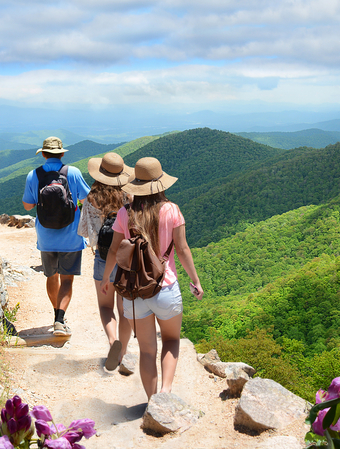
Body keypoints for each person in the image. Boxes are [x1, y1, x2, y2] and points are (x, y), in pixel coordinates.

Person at [101, 157, 204, 400]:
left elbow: (114, 250)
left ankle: (151, 402)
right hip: (165, 288)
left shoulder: (125, 214)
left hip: (135, 292)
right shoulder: (172, 210)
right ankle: (165, 394)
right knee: (170, 341)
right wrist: (195, 281)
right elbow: (182, 249)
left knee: (147, 351)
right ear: (160, 184)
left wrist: (107, 278)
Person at [23, 136, 90, 337]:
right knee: (67, 279)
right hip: (71, 235)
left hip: (46, 236)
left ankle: (56, 315)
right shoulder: (74, 172)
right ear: (62, 153)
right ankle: (59, 320)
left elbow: (27, 205)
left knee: (51, 276)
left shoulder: (33, 175)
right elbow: (86, 198)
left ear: (43, 154)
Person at [76, 152, 133, 370]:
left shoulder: (91, 198)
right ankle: (124, 352)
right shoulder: (128, 197)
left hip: (102, 256)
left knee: (105, 306)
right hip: (127, 259)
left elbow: (84, 232)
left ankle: (112, 341)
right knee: (124, 308)